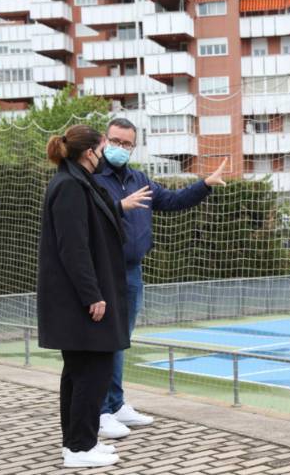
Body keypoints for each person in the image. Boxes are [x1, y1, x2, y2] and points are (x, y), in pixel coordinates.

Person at [94, 118, 228, 438]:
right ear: (104, 141)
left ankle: (116, 404)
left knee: (120, 341)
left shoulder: (139, 179)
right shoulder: (93, 179)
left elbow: (171, 201)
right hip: (103, 271)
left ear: (133, 147)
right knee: (102, 343)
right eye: (115, 141)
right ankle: (99, 411)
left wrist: (205, 184)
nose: (120, 148)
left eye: (126, 144)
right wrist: (119, 206)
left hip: (132, 272)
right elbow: (87, 218)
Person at [37, 124, 129, 468]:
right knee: (91, 372)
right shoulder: (69, 186)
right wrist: (92, 295)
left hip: (80, 298)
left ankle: (80, 442)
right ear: (89, 152)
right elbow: (73, 247)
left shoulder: (78, 182)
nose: (106, 155)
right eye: (103, 148)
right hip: (79, 301)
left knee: (80, 373)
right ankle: (79, 448)